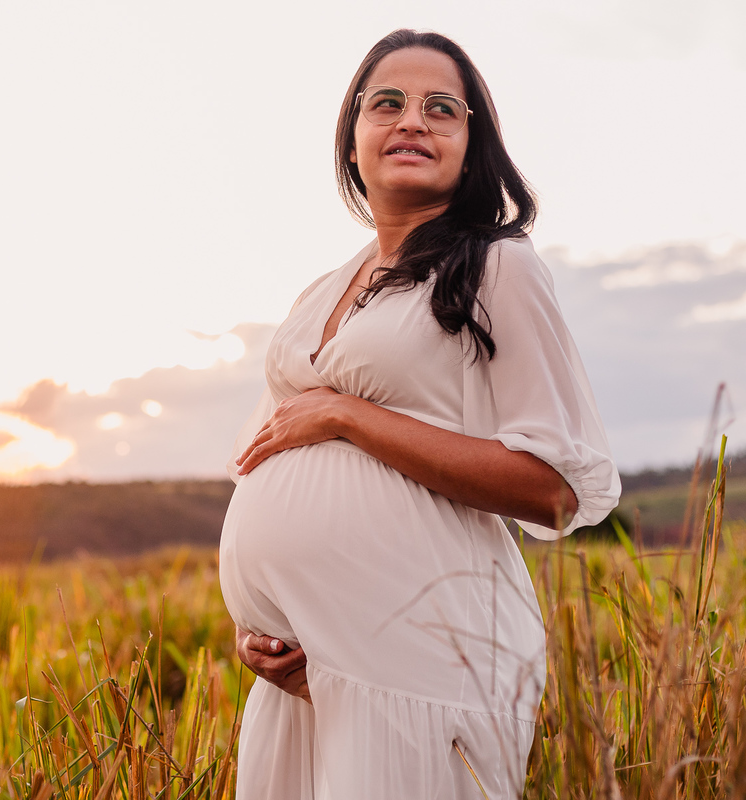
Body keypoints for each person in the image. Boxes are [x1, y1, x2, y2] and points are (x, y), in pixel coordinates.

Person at [218, 29, 620, 798]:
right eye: (388, 104)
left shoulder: (499, 266)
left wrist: (349, 417)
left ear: (473, 149)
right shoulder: (320, 291)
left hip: (424, 658)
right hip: (308, 670)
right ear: (352, 141)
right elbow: (267, 459)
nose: (413, 120)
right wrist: (261, 624)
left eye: (442, 109)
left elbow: (553, 488)